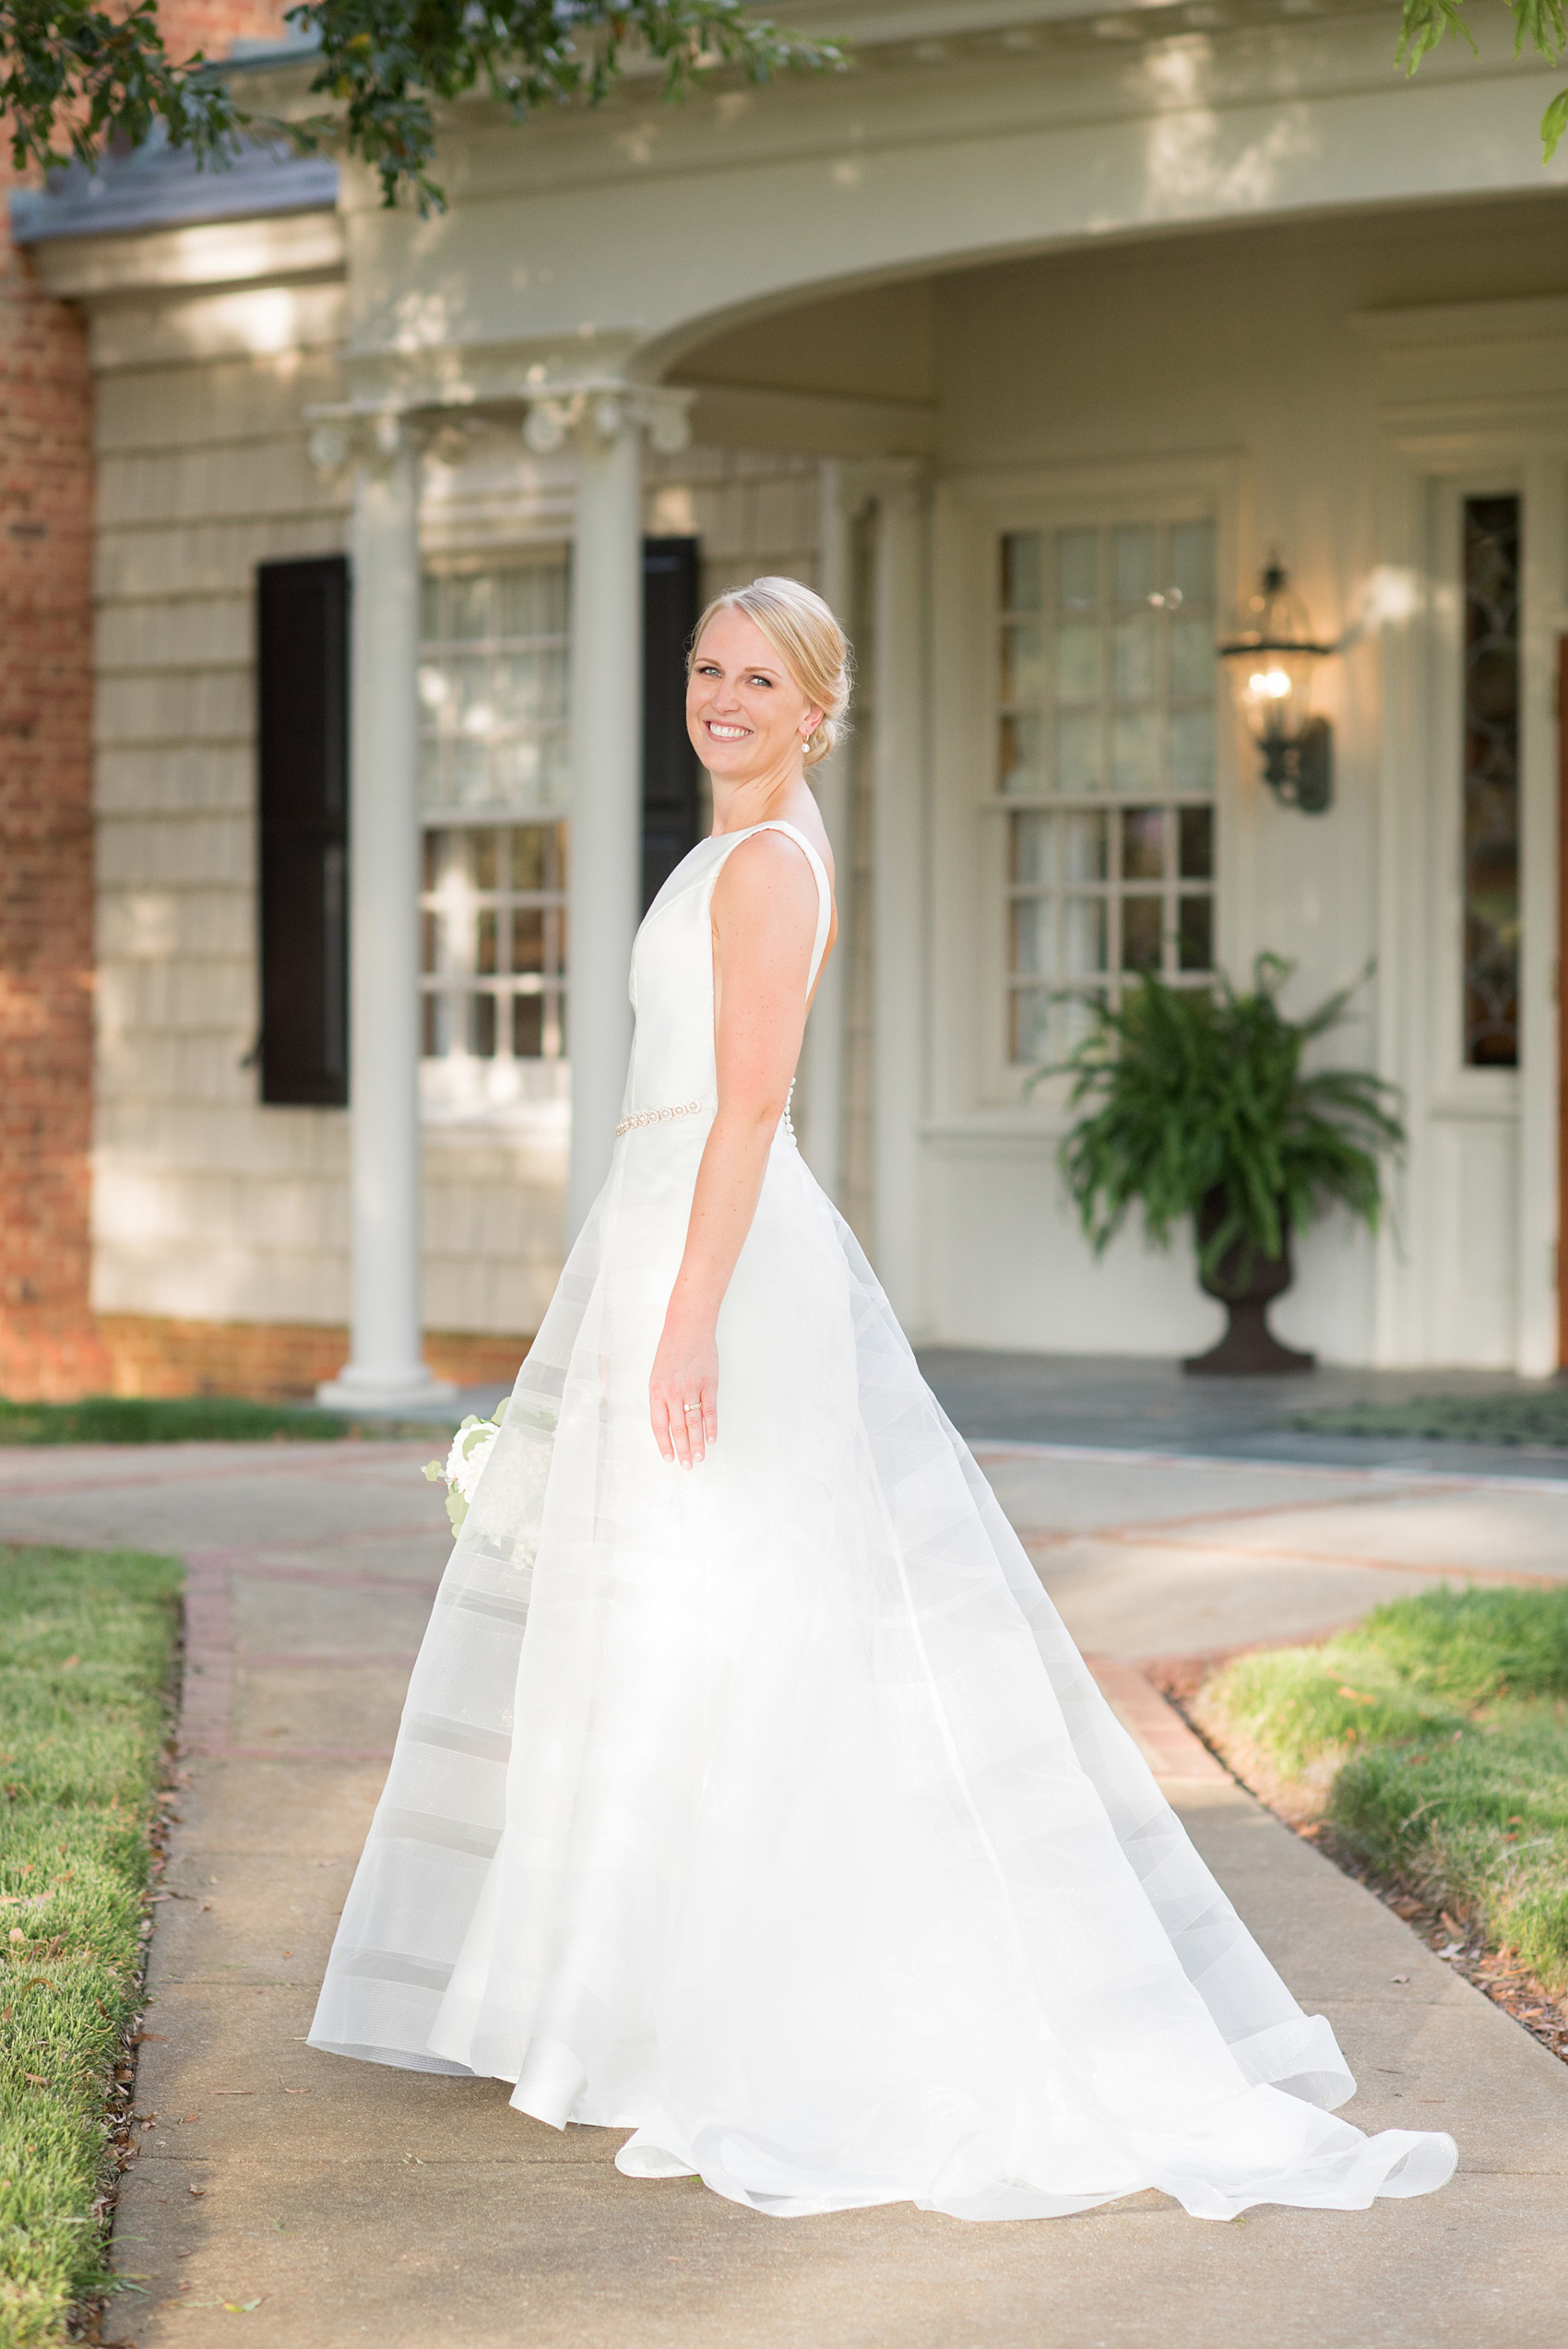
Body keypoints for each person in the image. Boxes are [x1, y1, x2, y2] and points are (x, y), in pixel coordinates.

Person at [310, 576, 1455, 2224]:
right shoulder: (721, 854)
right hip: (661, 1246)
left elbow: (748, 1106)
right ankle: (621, 2000)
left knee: (734, 1618)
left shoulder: (771, 868)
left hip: (716, 1265)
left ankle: (749, 2012)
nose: (722, 696)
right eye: (707, 669)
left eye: (756, 678)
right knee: (659, 1621)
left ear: (815, 707)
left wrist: (687, 1320)